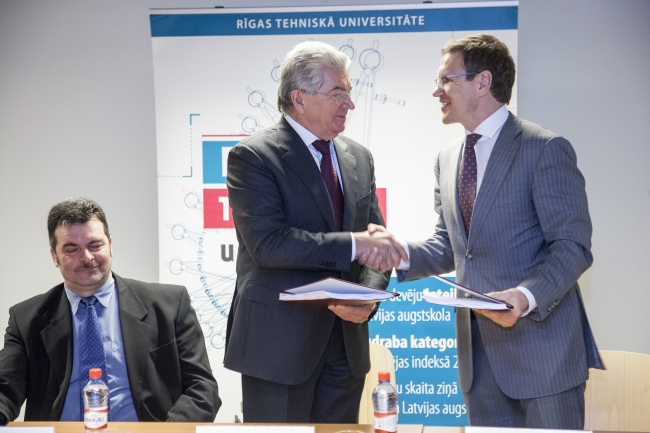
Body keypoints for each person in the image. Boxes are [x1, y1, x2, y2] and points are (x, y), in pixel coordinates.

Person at [364, 34, 603, 429]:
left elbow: (572, 246)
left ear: (483, 82)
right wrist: (398, 253)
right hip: (478, 362)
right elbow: (452, 246)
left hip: (544, 356)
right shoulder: (447, 159)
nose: (437, 91)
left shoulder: (544, 148)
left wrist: (524, 297)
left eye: (446, 80)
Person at [224, 40, 407, 423]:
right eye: (338, 93)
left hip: (346, 347)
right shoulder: (254, 157)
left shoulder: (359, 158)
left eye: (349, 93)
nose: (350, 104)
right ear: (299, 98)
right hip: (278, 349)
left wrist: (369, 298)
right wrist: (355, 244)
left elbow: (376, 243)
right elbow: (269, 245)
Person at [0, 197, 221, 424]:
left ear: (110, 245)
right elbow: (5, 388)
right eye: (72, 249)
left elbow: (202, 388)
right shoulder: (26, 319)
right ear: (54, 256)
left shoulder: (170, 305)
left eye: (95, 245)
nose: (87, 258)